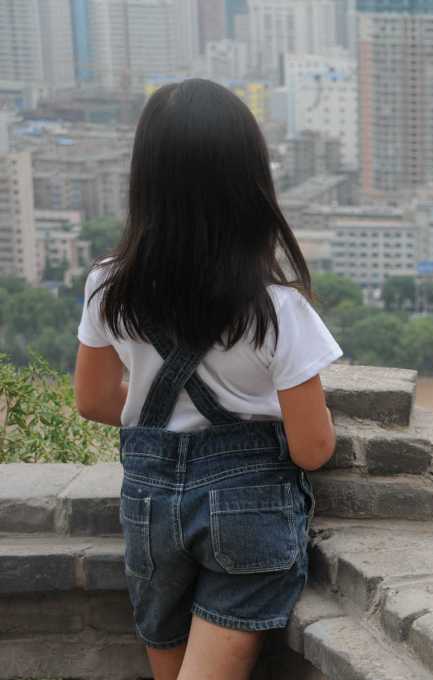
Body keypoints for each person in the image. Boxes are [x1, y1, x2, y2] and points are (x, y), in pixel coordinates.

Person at [73, 79, 343, 680]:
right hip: (248, 508)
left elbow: (93, 400)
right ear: (248, 185)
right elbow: (312, 448)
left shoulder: (107, 285)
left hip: (149, 506)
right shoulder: (277, 309)